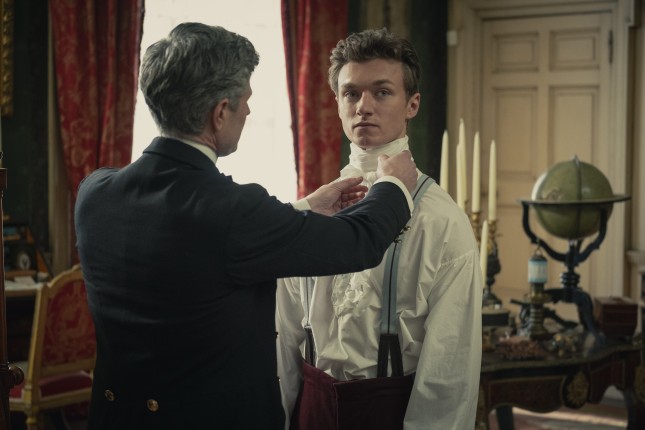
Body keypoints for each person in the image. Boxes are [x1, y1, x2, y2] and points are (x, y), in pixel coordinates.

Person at [74, 23, 420, 430]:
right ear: (220, 112)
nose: (249, 112)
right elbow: (358, 241)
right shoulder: (233, 212)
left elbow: (191, 245)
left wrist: (306, 207)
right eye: (246, 101)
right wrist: (395, 185)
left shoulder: (95, 193)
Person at [276, 28, 483, 430]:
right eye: (351, 93)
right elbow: (283, 339)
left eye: (382, 92)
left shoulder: (442, 223)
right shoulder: (314, 211)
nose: (364, 107)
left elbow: (448, 374)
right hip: (311, 411)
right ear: (337, 102)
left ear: (412, 104)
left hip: (391, 415)